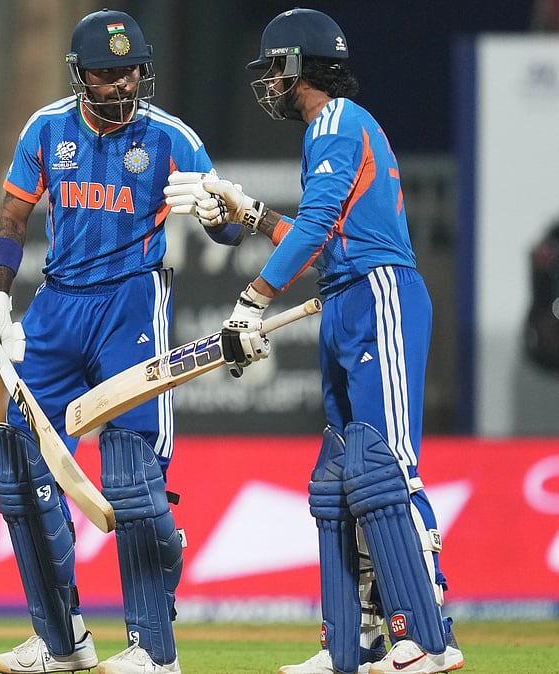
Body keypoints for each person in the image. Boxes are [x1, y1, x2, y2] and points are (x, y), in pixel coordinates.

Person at [163, 8, 465, 674]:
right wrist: (252, 213)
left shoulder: (336, 122)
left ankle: (426, 633)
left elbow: (322, 225)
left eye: (276, 67)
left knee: (386, 467)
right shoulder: (332, 132)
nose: (270, 81)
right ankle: (349, 647)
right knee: (337, 480)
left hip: (379, 292)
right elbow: (322, 232)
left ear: (299, 66)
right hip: (347, 296)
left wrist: (252, 298)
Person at [0, 9, 244, 674]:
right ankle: (61, 641)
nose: (119, 85)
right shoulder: (47, 128)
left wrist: (218, 210)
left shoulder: (172, 137)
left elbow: (228, 232)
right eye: (104, 73)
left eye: (129, 71)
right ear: (79, 75)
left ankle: (154, 649)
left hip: (130, 302)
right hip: (55, 305)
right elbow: (12, 216)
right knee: (21, 470)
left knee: (133, 479)